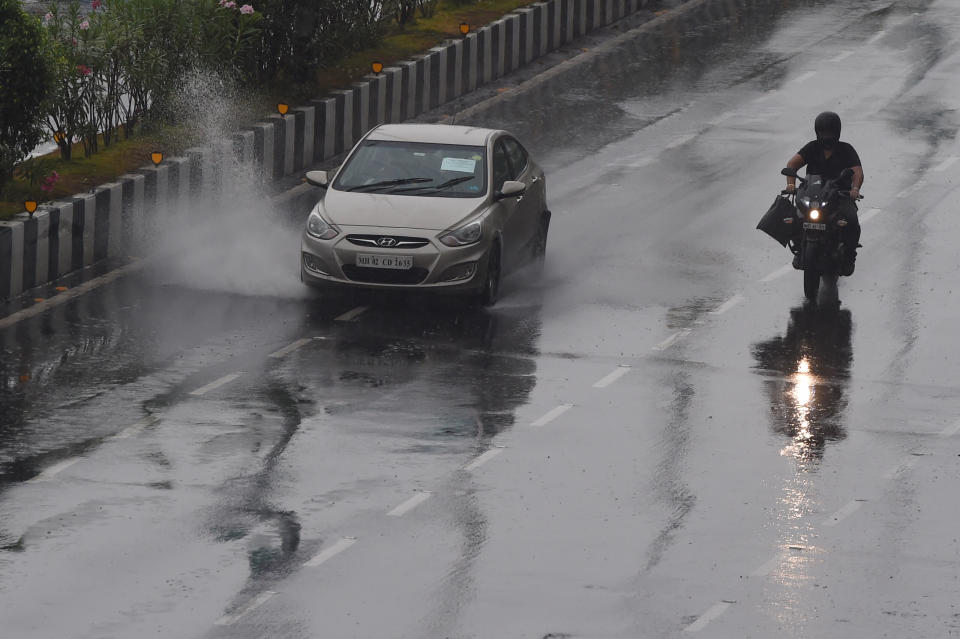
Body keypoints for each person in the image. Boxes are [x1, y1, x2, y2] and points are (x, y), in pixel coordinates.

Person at [785, 111, 864, 275]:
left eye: (830, 132)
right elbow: (792, 165)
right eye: (823, 132)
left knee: (851, 220)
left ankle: (849, 257)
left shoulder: (846, 149)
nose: (827, 136)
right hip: (812, 194)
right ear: (817, 132)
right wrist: (791, 185)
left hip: (840, 196)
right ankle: (800, 250)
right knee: (794, 217)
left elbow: (857, 172)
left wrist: (854, 189)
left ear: (837, 132)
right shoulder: (812, 148)